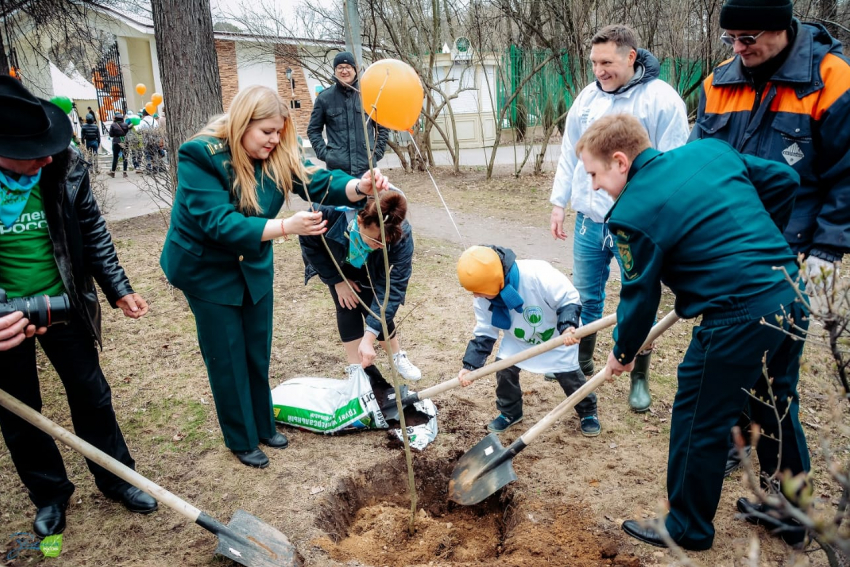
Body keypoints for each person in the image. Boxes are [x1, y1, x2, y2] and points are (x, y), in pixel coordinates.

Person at [578, 114, 810, 550]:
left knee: (699, 418)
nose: (593, 186)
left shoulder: (631, 212)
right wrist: (761, 245)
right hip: (789, 293)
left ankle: (687, 527)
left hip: (736, 316)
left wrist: (623, 352)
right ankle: (791, 514)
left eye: (594, 173)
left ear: (620, 161)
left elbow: (639, 297)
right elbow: (783, 179)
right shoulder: (710, 151)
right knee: (775, 406)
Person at [160, 85, 390, 469]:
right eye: (266, 131)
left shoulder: (279, 148)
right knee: (226, 353)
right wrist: (287, 226)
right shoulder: (200, 155)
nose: (274, 139)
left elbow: (318, 182)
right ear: (242, 122)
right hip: (206, 269)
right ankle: (241, 438)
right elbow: (219, 223)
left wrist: (358, 186)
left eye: (279, 131)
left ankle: (264, 424)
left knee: (255, 346)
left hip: (251, 263)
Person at [689, 0, 850, 478]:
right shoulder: (719, 82)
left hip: (792, 255)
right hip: (728, 253)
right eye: (730, 39)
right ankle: (734, 445)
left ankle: (787, 500)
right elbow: (701, 165)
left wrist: (828, 248)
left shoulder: (831, 79)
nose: (738, 49)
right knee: (725, 358)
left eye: (748, 39)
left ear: (782, 28)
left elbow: (847, 175)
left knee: (773, 381)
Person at [0, 76, 157, 538]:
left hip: (64, 300)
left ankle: (117, 477)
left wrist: (118, 286)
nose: (47, 157)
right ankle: (49, 494)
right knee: (20, 411)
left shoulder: (62, 166)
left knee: (92, 395)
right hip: (4, 317)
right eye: (33, 152)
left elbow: (91, 229)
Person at [548, 24, 689, 413]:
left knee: (639, 296)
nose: (598, 71)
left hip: (639, 224)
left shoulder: (661, 101)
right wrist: (559, 202)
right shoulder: (588, 98)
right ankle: (582, 361)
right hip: (591, 219)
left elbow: (673, 164)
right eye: (593, 62)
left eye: (606, 62)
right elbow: (568, 152)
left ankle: (638, 374)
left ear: (631, 56)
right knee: (585, 295)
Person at [455, 245, 600, 436]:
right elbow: (485, 332)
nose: (476, 296)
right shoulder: (484, 296)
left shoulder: (536, 275)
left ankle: (587, 411)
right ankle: (510, 412)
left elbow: (568, 298)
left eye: (479, 292)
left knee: (569, 376)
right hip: (518, 338)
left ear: (496, 282)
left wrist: (568, 327)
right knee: (503, 370)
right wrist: (470, 365)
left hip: (557, 336)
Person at [299, 190, 421, 383]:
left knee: (377, 305)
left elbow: (394, 286)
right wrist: (336, 280)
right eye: (375, 240)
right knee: (346, 304)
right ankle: (356, 368)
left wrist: (369, 337)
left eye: (385, 243)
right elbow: (308, 241)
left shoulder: (401, 233)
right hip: (338, 263)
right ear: (360, 219)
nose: (380, 246)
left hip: (373, 269)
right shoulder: (327, 213)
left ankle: (396, 356)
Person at [307, 51, 390, 178]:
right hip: (337, 171)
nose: (344, 71)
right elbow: (313, 130)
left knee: (368, 198)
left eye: (348, 67)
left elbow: (382, 127)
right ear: (335, 71)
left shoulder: (368, 95)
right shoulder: (324, 98)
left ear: (355, 70)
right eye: (339, 67)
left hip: (366, 168)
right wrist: (326, 154)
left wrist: (377, 152)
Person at [108, 112, 131, 178]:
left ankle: (113, 172)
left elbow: (111, 135)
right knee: (125, 157)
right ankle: (124, 173)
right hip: (124, 141)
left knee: (115, 157)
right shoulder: (125, 125)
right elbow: (126, 132)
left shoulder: (113, 125)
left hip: (116, 142)